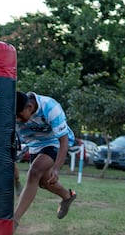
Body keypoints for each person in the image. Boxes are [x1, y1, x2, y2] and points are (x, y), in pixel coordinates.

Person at [13, 91, 77, 228]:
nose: (17, 120)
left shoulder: (51, 107)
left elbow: (63, 141)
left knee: (34, 172)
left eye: (19, 115)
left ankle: (14, 221)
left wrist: (56, 168)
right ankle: (67, 196)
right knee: (43, 182)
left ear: (30, 107)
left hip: (54, 142)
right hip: (35, 145)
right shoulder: (15, 109)